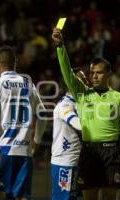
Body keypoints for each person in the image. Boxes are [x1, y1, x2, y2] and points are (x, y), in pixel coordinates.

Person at [52, 28, 120, 200]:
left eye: (98, 73)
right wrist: (60, 46)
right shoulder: (82, 94)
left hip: (112, 152)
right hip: (89, 152)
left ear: (109, 74)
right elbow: (67, 73)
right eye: (92, 73)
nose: (94, 76)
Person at [0, 45, 47, 200]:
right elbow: (42, 115)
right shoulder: (28, 82)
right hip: (24, 151)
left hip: (1, 150)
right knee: (20, 197)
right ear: (16, 63)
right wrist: (37, 141)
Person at [51, 68, 89, 200]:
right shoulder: (64, 105)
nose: (86, 81)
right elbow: (78, 124)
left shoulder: (81, 104)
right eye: (82, 79)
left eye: (85, 79)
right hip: (65, 162)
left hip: (78, 161)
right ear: (70, 82)